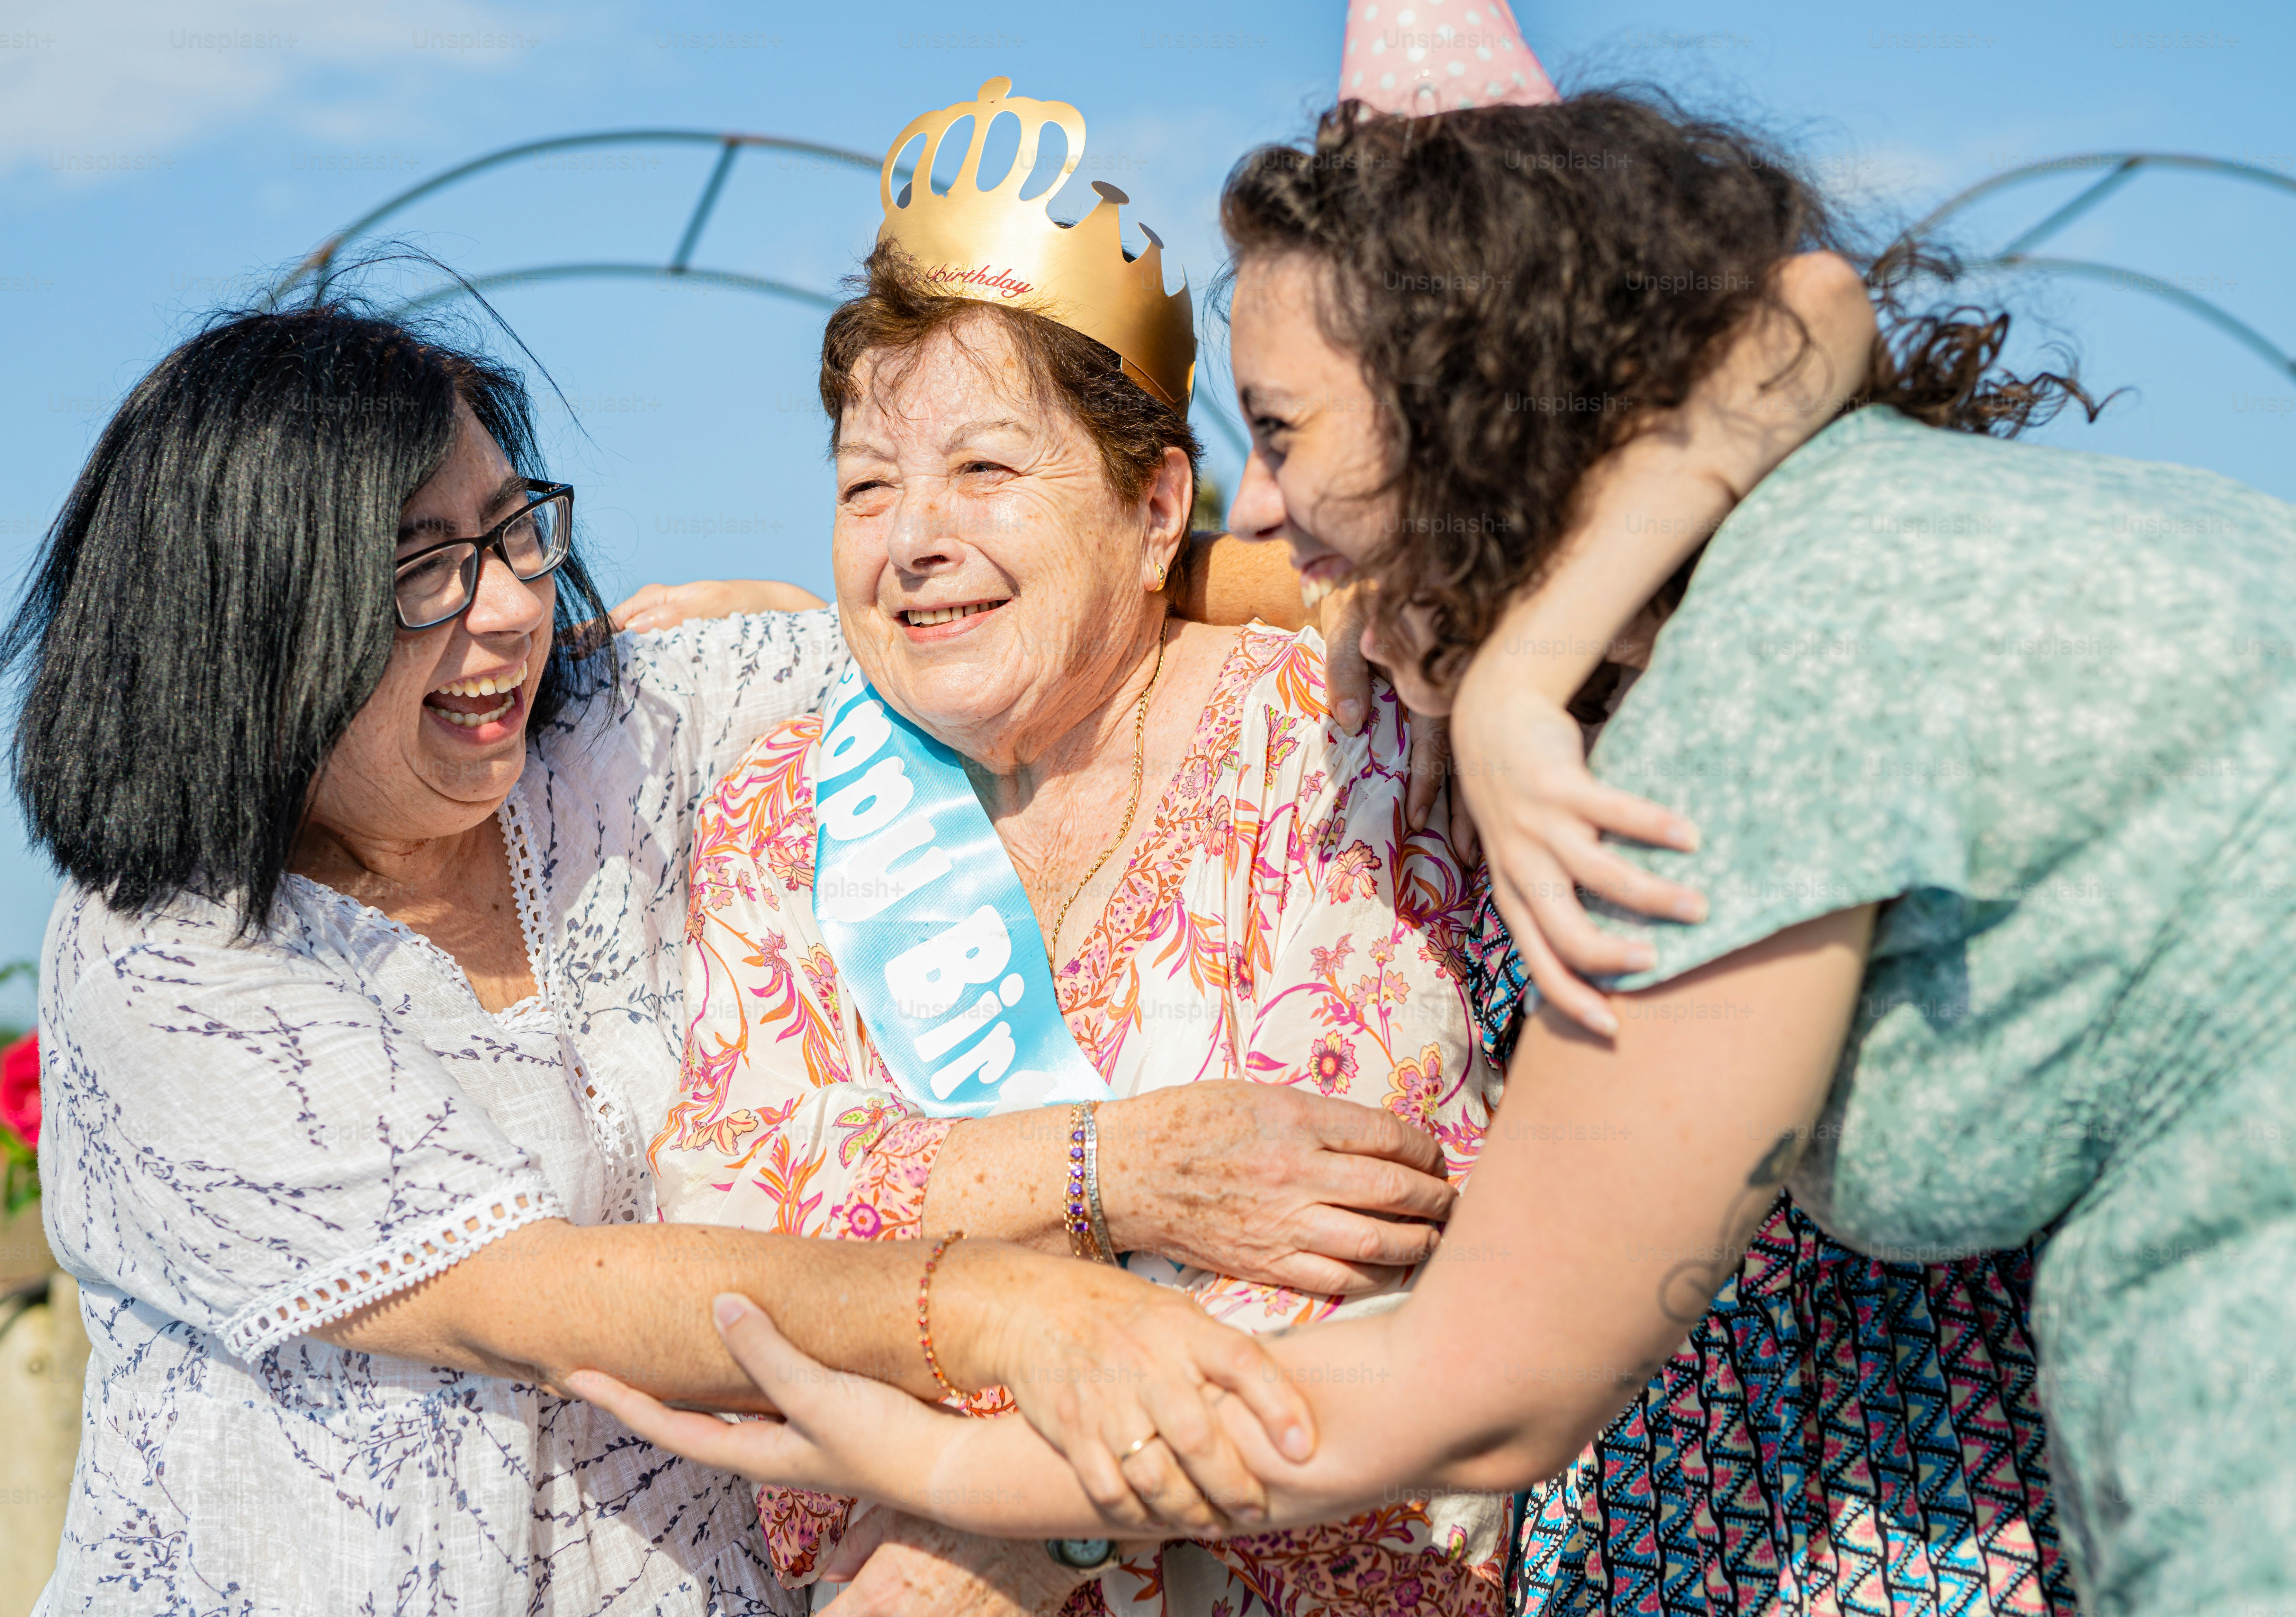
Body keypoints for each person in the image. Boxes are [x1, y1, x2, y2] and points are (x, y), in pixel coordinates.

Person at [573, 89, 2296, 1617]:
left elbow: (1491, 1377)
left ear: (1462, 407)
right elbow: (1813, 306)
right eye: (866, 487)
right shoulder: (1649, 624)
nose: (1274, 508)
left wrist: (956, 1475)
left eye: (1292, 431)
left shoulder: (1642, 694)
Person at [0, 300, 1322, 1616]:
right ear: (252, 623)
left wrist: (1359, 594)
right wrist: (1012, 1310)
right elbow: (553, 1301)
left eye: (513, 532)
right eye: (422, 567)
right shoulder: (160, 954)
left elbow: (1038, 598)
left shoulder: (608, 738)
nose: (510, 607)